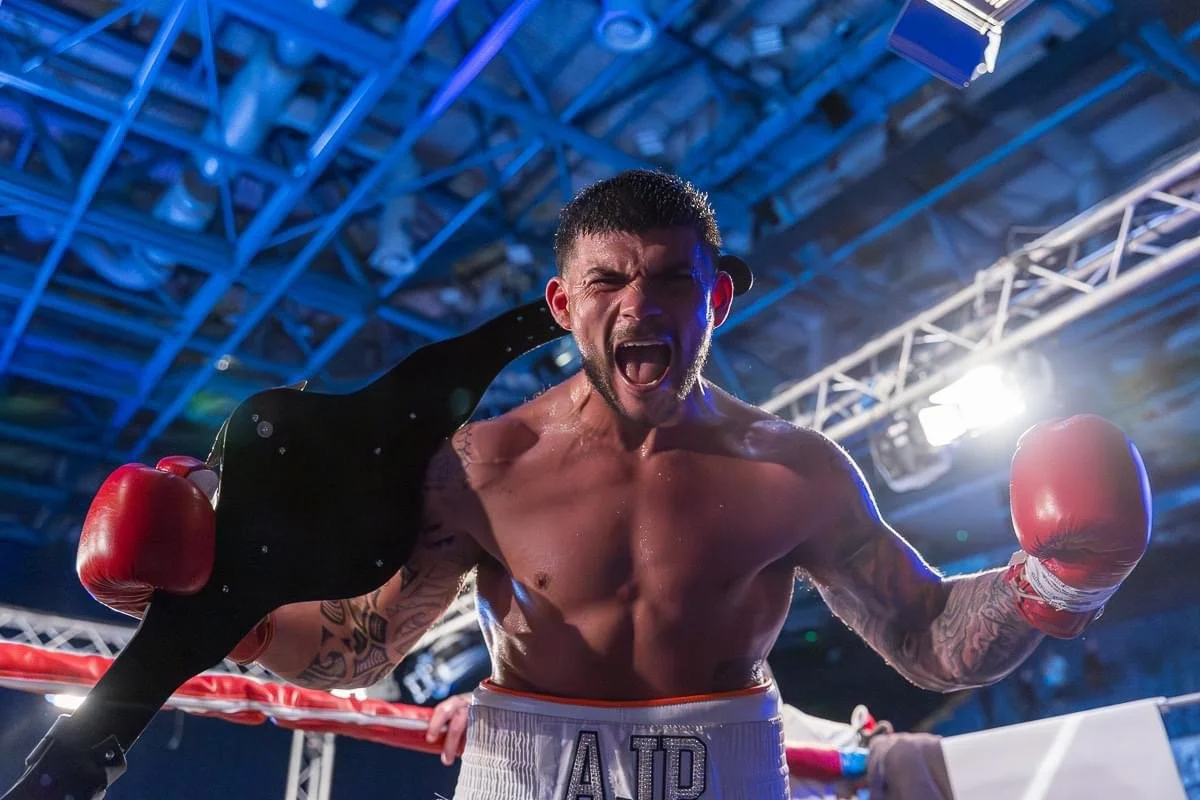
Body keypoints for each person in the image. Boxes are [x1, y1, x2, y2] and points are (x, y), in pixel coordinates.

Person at [78, 170, 1152, 798]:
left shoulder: (797, 471)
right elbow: (368, 642)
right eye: (609, 279)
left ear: (716, 298)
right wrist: (223, 618)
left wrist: (1054, 583)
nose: (641, 306)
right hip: (527, 762)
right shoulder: (480, 465)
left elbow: (921, 633)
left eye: (673, 279)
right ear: (562, 304)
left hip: (724, 757)